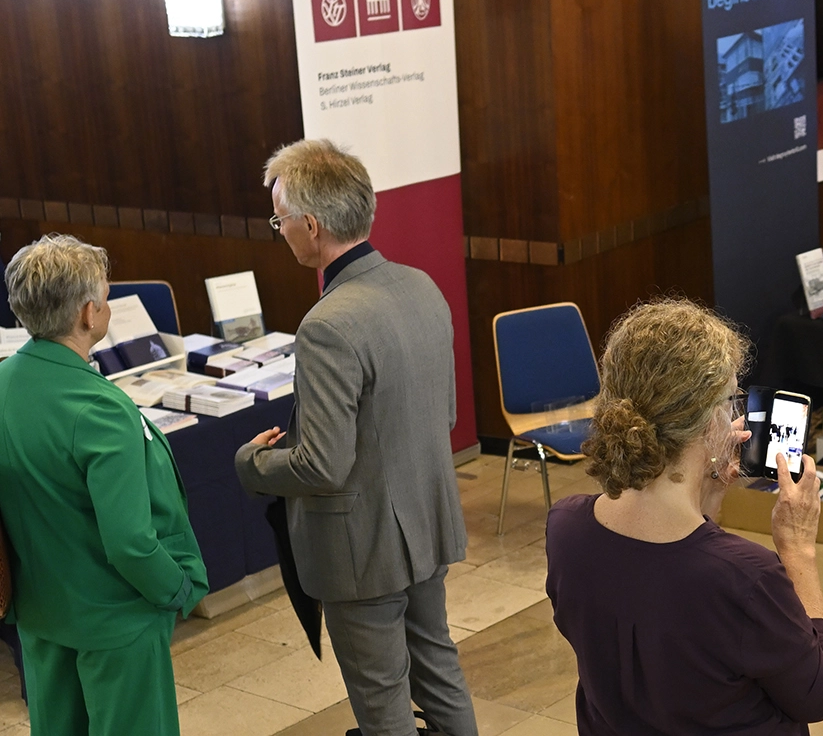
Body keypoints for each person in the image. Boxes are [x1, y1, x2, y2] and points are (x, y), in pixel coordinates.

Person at [235, 140, 478, 736]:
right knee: (439, 670)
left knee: (382, 703)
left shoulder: (327, 325)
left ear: (311, 225)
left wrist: (254, 463)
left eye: (280, 219)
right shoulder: (421, 286)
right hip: (426, 521)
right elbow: (442, 414)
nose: (280, 230)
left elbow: (321, 466)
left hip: (360, 548)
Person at [545, 299, 823, 733]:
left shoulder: (566, 527)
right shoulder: (748, 578)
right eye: (731, 399)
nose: (737, 412)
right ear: (709, 422)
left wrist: (705, 502)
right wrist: (798, 549)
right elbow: (820, 695)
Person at [0, 234, 208, 735]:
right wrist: (178, 590)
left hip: (42, 614)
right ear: (88, 314)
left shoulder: (5, 382)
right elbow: (131, 542)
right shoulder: (101, 410)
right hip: (116, 623)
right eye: (107, 297)